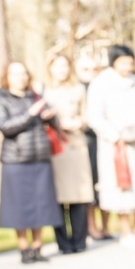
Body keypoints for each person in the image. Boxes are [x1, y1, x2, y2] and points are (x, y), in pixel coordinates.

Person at [86, 44, 135, 249]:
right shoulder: (101, 84)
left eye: (130, 62)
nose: (128, 67)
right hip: (117, 145)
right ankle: (126, 232)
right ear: (114, 62)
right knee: (123, 187)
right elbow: (95, 116)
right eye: (124, 62)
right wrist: (115, 136)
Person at [0, 60, 62, 263]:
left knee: (41, 204)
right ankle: (23, 248)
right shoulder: (1, 99)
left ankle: (38, 247)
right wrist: (30, 114)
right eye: (15, 74)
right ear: (7, 76)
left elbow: (52, 123)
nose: (20, 78)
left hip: (40, 157)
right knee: (19, 206)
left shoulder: (35, 96)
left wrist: (49, 117)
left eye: (23, 73)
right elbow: (5, 126)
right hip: (16, 159)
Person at [44, 55, 94, 253]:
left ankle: (80, 241)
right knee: (58, 196)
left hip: (76, 144)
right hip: (54, 146)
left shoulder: (78, 89)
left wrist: (79, 122)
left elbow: (87, 114)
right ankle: (63, 243)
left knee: (78, 195)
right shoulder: (44, 91)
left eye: (65, 66)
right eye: (58, 66)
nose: (62, 70)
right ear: (50, 68)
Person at [75, 54, 112, 241]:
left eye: (94, 69)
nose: (91, 73)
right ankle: (92, 227)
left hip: (106, 141)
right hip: (87, 143)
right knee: (92, 185)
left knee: (107, 183)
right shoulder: (78, 90)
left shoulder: (106, 88)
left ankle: (106, 226)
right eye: (86, 69)